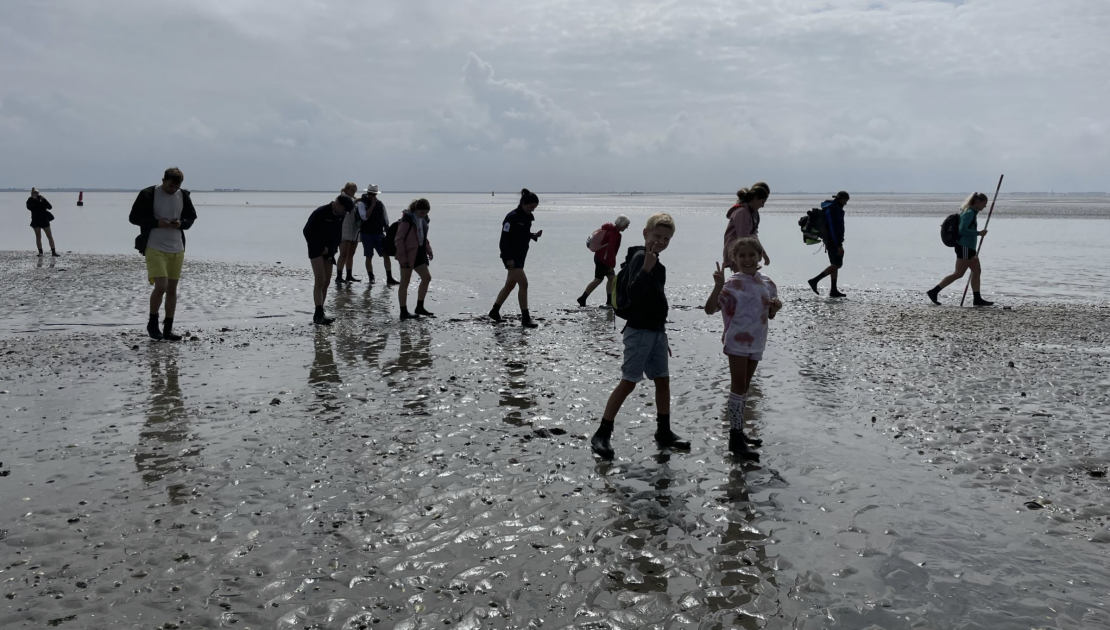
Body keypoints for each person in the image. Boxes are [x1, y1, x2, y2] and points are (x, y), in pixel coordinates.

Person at [590, 213, 689, 460]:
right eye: (657, 236)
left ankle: (663, 431)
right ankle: (602, 433)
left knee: (662, 380)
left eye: (666, 238)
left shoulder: (659, 265)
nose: (661, 241)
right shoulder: (639, 258)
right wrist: (645, 268)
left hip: (656, 332)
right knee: (629, 381)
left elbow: (658, 301)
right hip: (638, 331)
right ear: (645, 234)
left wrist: (663, 333)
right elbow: (632, 293)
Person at [703, 237, 782, 459]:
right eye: (742, 255)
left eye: (751, 255)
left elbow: (769, 314)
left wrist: (775, 308)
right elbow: (710, 309)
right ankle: (735, 437)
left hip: (757, 341)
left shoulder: (767, 283)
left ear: (760, 257)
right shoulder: (732, 284)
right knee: (737, 387)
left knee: (745, 387)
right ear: (734, 259)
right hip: (737, 341)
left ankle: (740, 432)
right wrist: (718, 286)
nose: (747, 259)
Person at [129, 167, 198, 341]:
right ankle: (153, 324)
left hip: (177, 247)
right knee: (161, 286)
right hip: (154, 245)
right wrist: (156, 222)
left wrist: (181, 223)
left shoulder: (184, 195)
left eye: (176, 187)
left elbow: (191, 219)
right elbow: (133, 217)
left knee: (172, 288)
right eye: (170, 186)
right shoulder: (148, 194)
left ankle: (168, 328)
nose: (173, 190)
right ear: (163, 180)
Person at [927, 192, 993, 306]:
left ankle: (977, 298)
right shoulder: (969, 213)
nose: (985, 206)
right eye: (984, 203)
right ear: (977, 202)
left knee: (976, 271)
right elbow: (962, 230)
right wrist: (978, 233)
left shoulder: (971, 212)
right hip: (964, 247)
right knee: (959, 273)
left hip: (969, 247)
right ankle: (934, 291)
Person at [489, 188, 543, 328]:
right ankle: (525, 318)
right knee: (524, 284)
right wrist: (508, 258)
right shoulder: (511, 217)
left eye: (534, 208)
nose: (532, 210)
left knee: (509, 285)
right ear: (524, 203)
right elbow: (504, 240)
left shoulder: (527, 217)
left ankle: (494, 311)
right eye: (531, 207)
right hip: (511, 257)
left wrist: (532, 236)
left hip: (521, 256)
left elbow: (521, 235)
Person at [303, 194, 355, 325]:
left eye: (346, 212)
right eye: (344, 210)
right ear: (338, 204)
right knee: (319, 279)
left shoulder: (341, 215)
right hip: (316, 249)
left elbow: (338, 234)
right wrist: (321, 248)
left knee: (326, 282)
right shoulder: (320, 212)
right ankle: (318, 312)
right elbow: (307, 231)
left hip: (330, 250)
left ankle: (320, 312)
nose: (344, 213)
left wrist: (331, 250)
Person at [577, 215, 630, 308]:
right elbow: (611, 250)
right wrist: (611, 264)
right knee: (599, 279)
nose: (627, 227)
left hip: (600, 257)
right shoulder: (615, 234)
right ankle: (583, 298)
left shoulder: (610, 230)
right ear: (621, 224)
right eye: (626, 225)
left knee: (611, 280)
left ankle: (609, 301)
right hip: (603, 260)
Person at [394, 198, 435, 319]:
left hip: (420, 253)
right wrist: (402, 257)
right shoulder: (407, 220)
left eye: (426, 212)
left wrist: (429, 250)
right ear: (416, 210)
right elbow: (399, 239)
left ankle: (419, 306)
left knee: (426, 278)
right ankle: (403, 311)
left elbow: (423, 236)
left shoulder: (423, 220)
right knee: (404, 282)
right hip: (407, 254)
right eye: (422, 212)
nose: (424, 215)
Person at [807, 191, 850, 298]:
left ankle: (833, 290)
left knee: (834, 264)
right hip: (833, 240)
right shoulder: (833, 210)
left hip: (831, 240)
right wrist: (839, 244)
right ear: (841, 199)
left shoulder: (833, 208)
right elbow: (833, 228)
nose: (846, 203)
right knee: (837, 264)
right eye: (845, 200)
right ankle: (814, 280)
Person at [722, 183, 771, 270]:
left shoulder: (751, 212)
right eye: (762, 202)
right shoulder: (742, 212)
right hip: (737, 251)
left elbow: (753, 236)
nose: (762, 206)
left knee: (748, 279)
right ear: (755, 198)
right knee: (742, 279)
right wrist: (761, 254)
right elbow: (744, 238)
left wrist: (763, 254)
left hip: (746, 251)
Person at [357, 184, 398, 285]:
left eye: (374, 194)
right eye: (371, 194)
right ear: (367, 193)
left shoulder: (380, 204)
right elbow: (364, 217)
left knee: (386, 254)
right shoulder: (362, 203)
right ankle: (371, 277)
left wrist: (388, 231)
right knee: (369, 256)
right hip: (366, 233)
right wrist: (372, 206)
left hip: (379, 233)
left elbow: (385, 217)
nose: (373, 196)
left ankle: (389, 277)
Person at [335, 182, 362, 284]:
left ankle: (349, 275)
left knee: (351, 253)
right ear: (346, 189)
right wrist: (356, 201)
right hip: (344, 229)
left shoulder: (354, 199)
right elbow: (348, 206)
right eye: (351, 190)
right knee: (343, 253)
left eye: (354, 191)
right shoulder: (341, 198)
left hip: (354, 229)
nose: (353, 192)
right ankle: (339, 276)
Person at [26, 188, 59, 257]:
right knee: (38, 236)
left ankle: (53, 252)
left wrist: (44, 200)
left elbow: (50, 207)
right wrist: (33, 199)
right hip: (35, 220)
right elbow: (29, 207)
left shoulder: (42, 199)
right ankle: (40, 252)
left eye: (37, 193)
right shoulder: (30, 200)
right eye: (35, 193)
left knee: (49, 235)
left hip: (44, 219)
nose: (36, 194)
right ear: (32, 194)